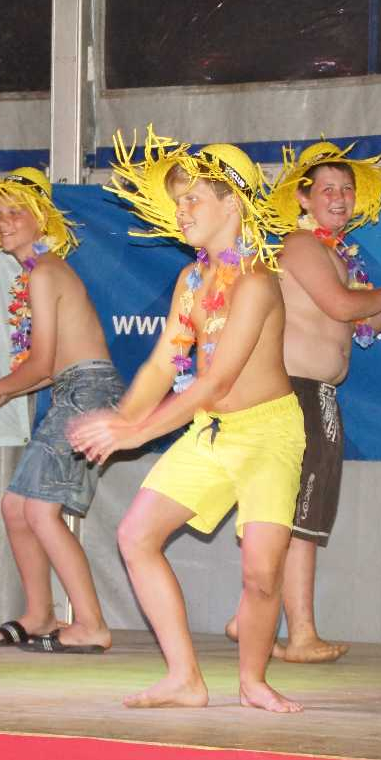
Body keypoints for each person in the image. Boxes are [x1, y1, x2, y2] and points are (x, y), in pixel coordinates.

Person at [69, 130, 304, 713]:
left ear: (233, 205)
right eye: (179, 201)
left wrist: (135, 433)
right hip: (212, 433)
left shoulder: (257, 282)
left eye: (193, 198)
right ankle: (184, 679)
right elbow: (161, 365)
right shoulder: (191, 281)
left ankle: (252, 681)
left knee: (261, 574)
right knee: (135, 536)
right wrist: (121, 417)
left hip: (269, 436)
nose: (181, 210)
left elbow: (215, 382)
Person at [217, 141, 381, 662]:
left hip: (312, 393)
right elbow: (340, 305)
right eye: (327, 189)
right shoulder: (300, 245)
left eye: (346, 189)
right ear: (303, 198)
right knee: (300, 519)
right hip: (295, 391)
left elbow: (365, 322)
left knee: (295, 515)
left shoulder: (335, 253)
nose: (339, 197)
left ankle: (253, 619)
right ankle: (300, 634)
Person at [0, 161, 125, 653]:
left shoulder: (46, 272)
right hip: (72, 387)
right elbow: (51, 369)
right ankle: (39, 613)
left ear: (41, 219)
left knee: (42, 512)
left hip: (88, 392)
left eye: (15, 213)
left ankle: (90, 624)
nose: (3, 222)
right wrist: (8, 390)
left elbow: (42, 363)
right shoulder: (38, 273)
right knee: (15, 507)